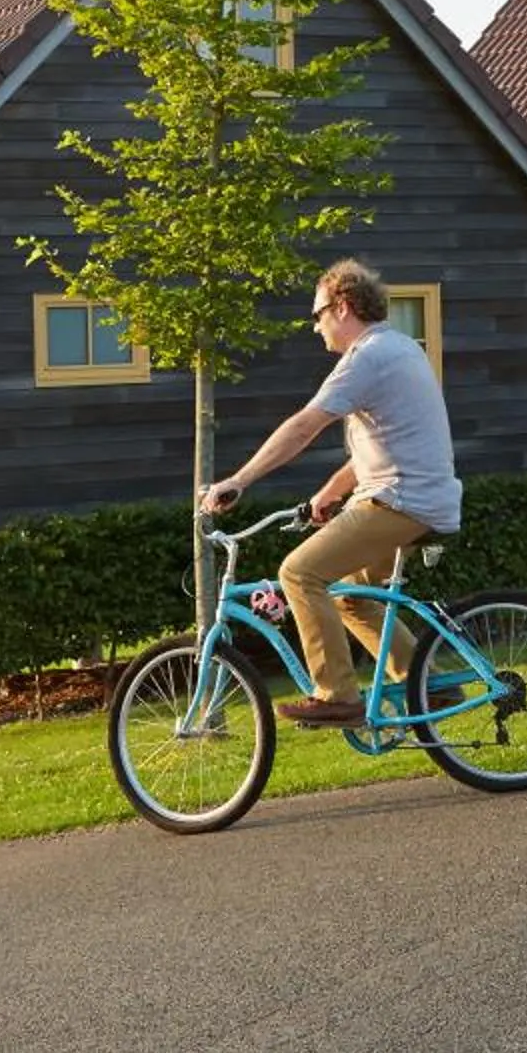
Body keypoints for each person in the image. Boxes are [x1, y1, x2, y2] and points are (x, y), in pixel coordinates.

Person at [200, 258, 461, 727]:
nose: (314, 326)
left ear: (342, 306)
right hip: (414, 498)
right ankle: (428, 684)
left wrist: (239, 479)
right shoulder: (400, 347)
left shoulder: (366, 358)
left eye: (317, 314)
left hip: (399, 501)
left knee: (299, 573)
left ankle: (337, 694)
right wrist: (331, 491)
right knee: (350, 597)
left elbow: (304, 427)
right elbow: (382, 446)